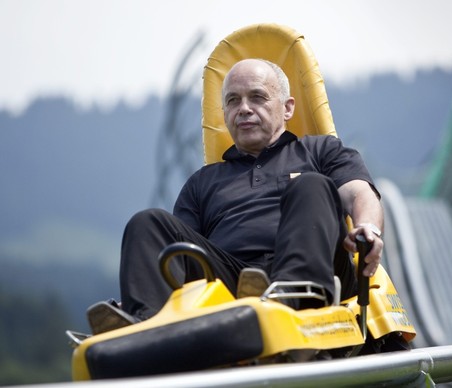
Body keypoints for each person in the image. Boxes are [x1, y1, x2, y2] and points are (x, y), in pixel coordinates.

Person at [87, 58, 384, 334]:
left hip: (315, 274)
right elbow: (181, 254)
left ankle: (290, 297)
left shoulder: (320, 151)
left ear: (287, 108)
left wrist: (368, 227)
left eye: (257, 97)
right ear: (226, 113)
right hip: (231, 281)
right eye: (233, 100)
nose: (243, 108)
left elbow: (359, 191)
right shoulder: (202, 182)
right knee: (147, 222)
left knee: (310, 184)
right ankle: (147, 321)